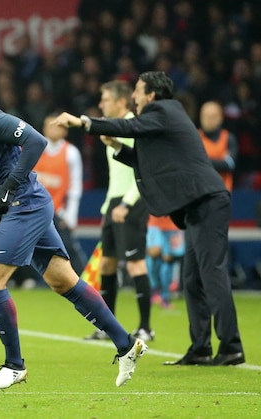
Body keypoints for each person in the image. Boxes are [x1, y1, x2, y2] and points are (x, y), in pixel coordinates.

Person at [0, 65, 146, 390]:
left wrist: (9, 185)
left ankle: (14, 365)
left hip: (27, 204)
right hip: (25, 204)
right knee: (64, 281)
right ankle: (126, 345)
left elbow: (35, 140)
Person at [53, 71, 245, 366]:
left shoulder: (165, 110)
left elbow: (130, 126)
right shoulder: (161, 120)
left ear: (152, 95)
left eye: (138, 91)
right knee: (192, 279)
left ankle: (231, 347)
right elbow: (147, 161)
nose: (134, 96)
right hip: (197, 205)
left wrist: (85, 123)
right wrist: (117, 147)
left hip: (209, 202)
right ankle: (202, 347)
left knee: (211, 274)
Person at [84, 80, 153, 342]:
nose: (102, 104)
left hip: (131, 202)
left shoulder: (134, 126)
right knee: (107, 264)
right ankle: (107, 326)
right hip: (114, 202)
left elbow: (142, 169)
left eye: (106, 99)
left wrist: (127, 202)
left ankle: (146, 327)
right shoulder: (113, 130)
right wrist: (111, 204)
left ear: (121, 102)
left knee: (135, 263)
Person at [34, 115, 87, 275]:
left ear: (65, 130)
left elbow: (75, 187)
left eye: (55, 126)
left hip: (58, 210)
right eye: (48, 126)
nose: (51, 129)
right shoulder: (36, 147)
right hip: (36, 209)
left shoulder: (71, 152)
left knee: (68, 247)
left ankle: (85, 281)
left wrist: (71, 215)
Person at [197, 101, 238, 192]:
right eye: (206, 116)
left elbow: (229, 164)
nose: (209, 120)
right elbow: (191, 165)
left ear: (220, 118)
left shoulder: (228, 138)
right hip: (200, 192)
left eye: (213, 116)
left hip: (223, 193)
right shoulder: (194, 138)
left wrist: (202, 161)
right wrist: (220, 161)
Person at [146, 215, 184, 309]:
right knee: (152, 260)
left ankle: (165, 297)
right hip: (154, 225)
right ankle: (154, 291)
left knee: (167, 262)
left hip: (173, 226)